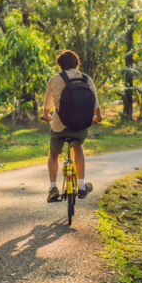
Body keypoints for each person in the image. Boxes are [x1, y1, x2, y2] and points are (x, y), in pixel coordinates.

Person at [42, 50, 102, 203]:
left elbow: (47, 104)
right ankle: (81, 186)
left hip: (59, 126)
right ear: (77, 63)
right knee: (78, 148)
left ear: (60, 65)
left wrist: (46, 116)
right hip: (80, 126)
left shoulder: (54, 79)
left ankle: (53, 187)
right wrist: (98, 117)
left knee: (54, 154)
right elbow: (95, 103)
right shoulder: (86, 79)